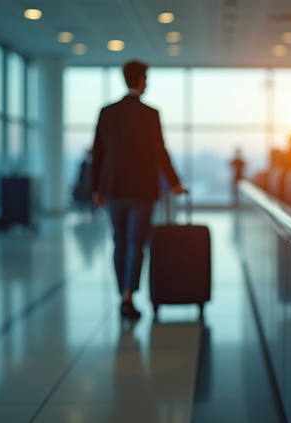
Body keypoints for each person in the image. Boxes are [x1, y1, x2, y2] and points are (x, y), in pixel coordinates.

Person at [91, 60, 186, 319]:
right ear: (141, 80)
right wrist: (175, 183)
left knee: (118, 241)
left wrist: (95, 188)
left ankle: (122, 292)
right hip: (141, 189)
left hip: (113, 187)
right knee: (135, 242)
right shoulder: (150, 113)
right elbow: (159, 151)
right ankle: (128, 296)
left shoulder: (107, 112)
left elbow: (97, 151)